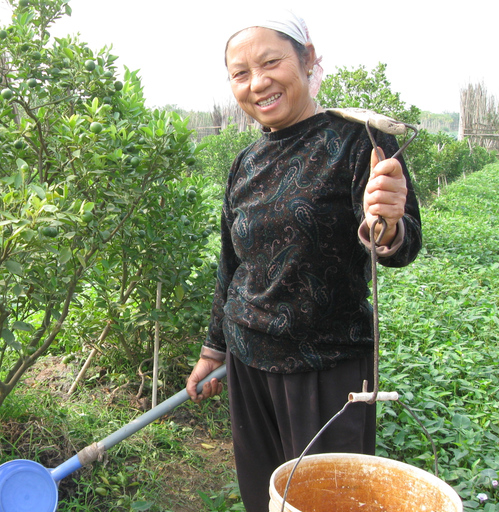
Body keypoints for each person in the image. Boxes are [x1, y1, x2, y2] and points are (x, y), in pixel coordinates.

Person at [185, 9, 422, 512]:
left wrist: (388, 221)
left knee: (329, 502)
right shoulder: (244, 163)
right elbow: (232, 263)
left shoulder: (360, 141)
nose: (258, 84)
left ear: (308, 59)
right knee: (266, 496)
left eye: (271, 63)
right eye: (240, 74)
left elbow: (401, 245)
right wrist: (214, 350)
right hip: (249, 361)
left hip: (328, 368)